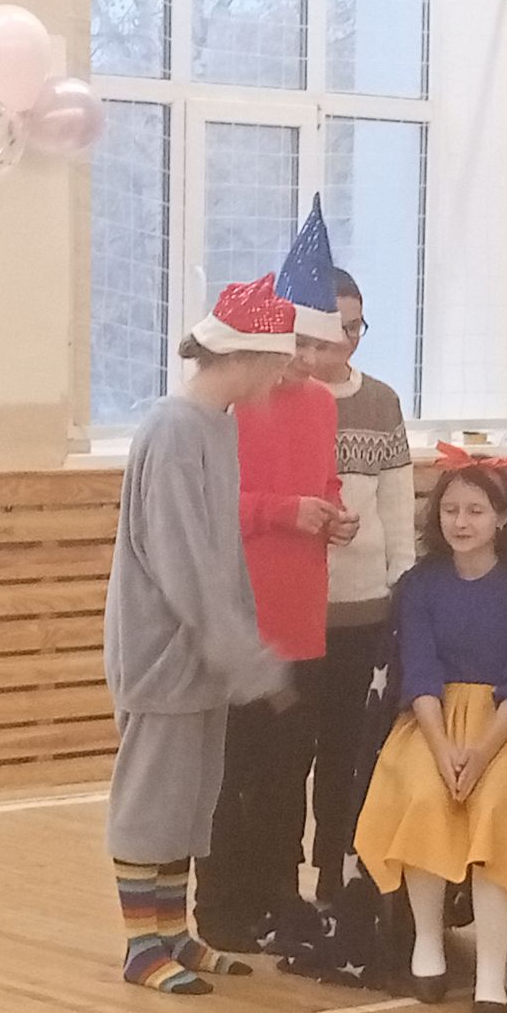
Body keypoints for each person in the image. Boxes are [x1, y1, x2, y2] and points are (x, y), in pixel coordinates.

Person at [103, 275, 295, 995]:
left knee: (191, 799)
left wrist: (236, 645)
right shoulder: (175, 430)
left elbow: (219, 556)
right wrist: (240, 651)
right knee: (152, 799)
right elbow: (180, 559)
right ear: (244, 355)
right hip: (165, 652)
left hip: (205, 656)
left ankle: (173, 931)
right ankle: (139, 945)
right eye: (278, 361)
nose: (282, 376)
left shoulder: (217, 424)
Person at [353, 454, 507, 1013]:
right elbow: (419, 671)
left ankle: (491, 975)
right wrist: (443, 747)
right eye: (450, 509)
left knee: (495, 805)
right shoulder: (419, 585)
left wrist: (479, 753)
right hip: (430, 724)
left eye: (475, 510)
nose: (461, 521)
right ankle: (427, 945)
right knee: (426, 796)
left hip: (505, 728)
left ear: (502, 517)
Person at [195, 198, 359, 953]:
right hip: (243, 612)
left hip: (302, 610)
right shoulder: (228, 410)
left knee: (290, 767)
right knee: (235, 770)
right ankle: (222, 903)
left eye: (321, 345)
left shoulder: (320, 406)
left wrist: (330, 514)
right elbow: (209, 510)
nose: (308, 358)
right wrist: (281, 511)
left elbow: (321, 484)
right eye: (298, 343)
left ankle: (279, 893)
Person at [309, 268, 417, 906]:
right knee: (288, 758)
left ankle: (337, 878)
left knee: (350, 756)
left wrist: (401, 592)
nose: (348, 341)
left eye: (357, 327)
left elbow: (399, 512)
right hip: (297, 617)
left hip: (365, 616)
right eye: (336, 329)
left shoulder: (381, 401)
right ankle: (277, 886)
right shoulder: (278, 401)